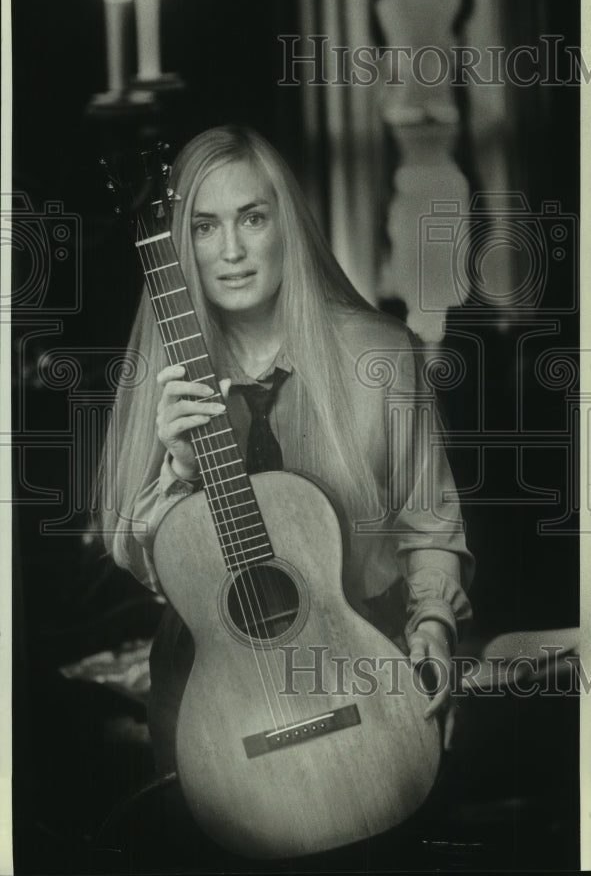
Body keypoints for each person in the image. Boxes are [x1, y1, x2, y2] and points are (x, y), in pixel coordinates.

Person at [97, 123, 473, 862]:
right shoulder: (163, 378)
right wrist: (173, 477)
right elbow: (131, 553)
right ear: (178, 242)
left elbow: (429, 525)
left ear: (286, 226)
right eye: (204, 226)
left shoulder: (381, 357)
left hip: (360, 659)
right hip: (215, 679)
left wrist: (432, 627)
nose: (230, 250)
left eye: (251, 218)